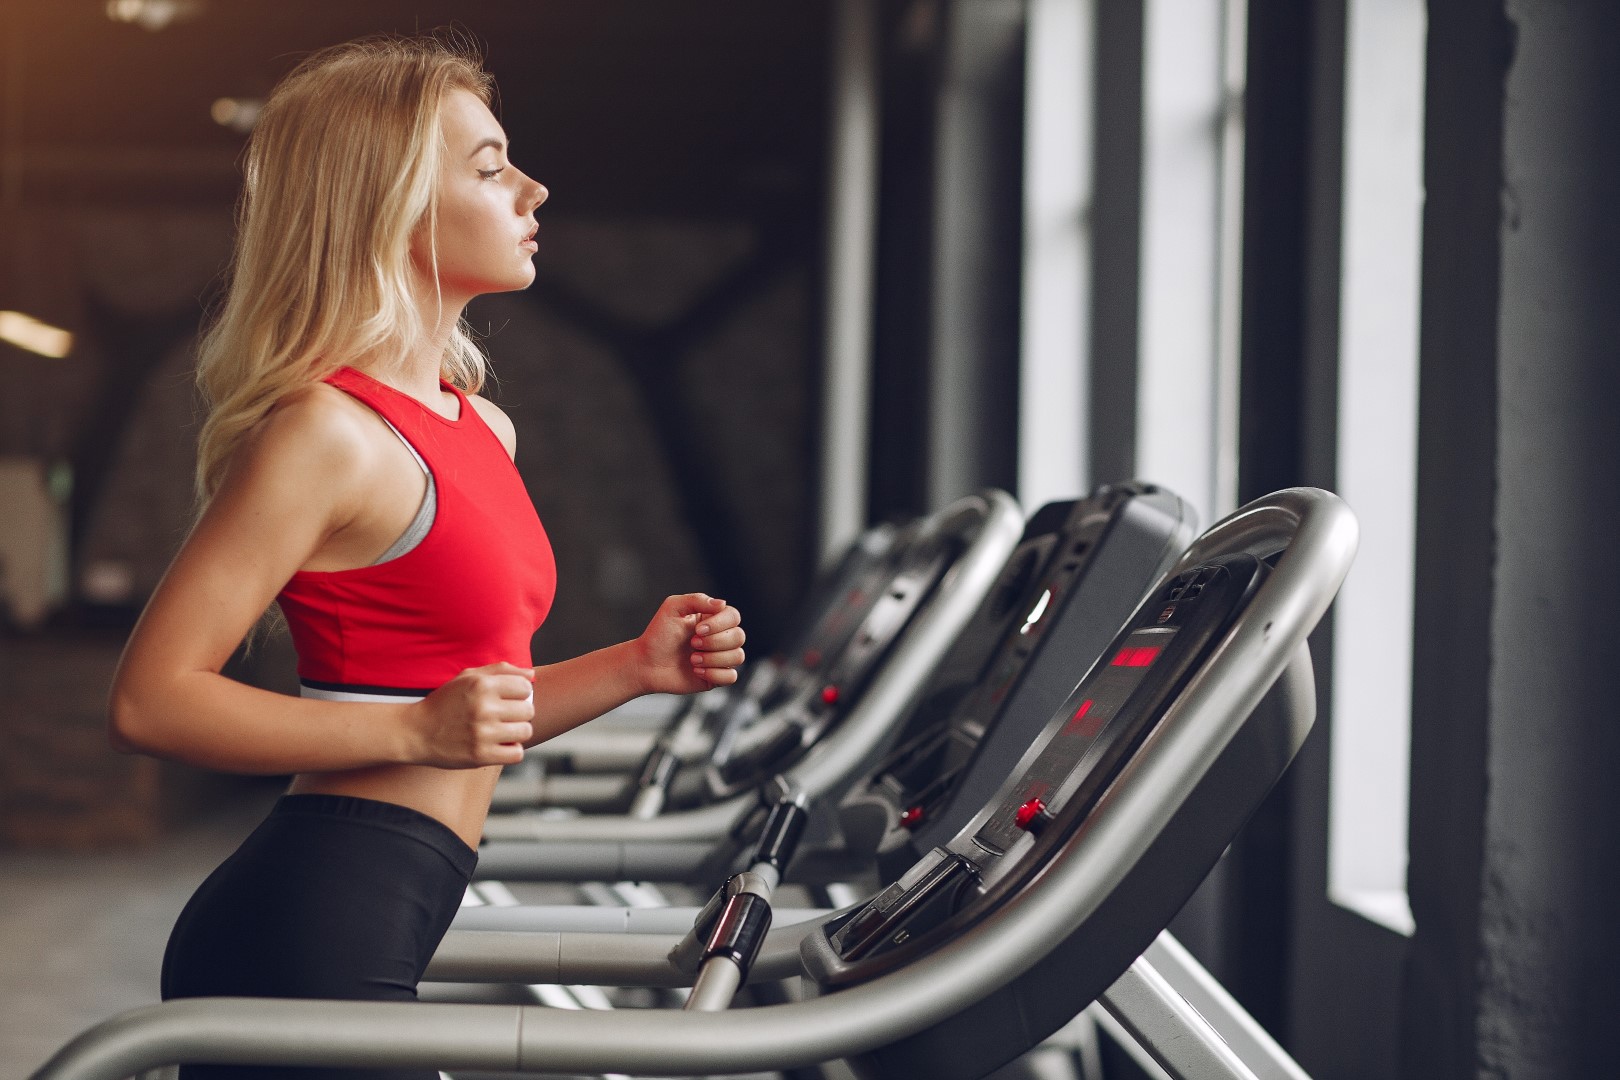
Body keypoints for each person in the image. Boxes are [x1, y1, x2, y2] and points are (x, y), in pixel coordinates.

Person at [106, 33, 745, 1080]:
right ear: (390, 203)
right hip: (313, 918)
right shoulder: (326, 432)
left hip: (396, 897)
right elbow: (152, 699)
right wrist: (412, 728)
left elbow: (472, 712)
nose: (534, 190)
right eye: (491, 168)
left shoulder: (476, 426)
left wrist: (635, 668)